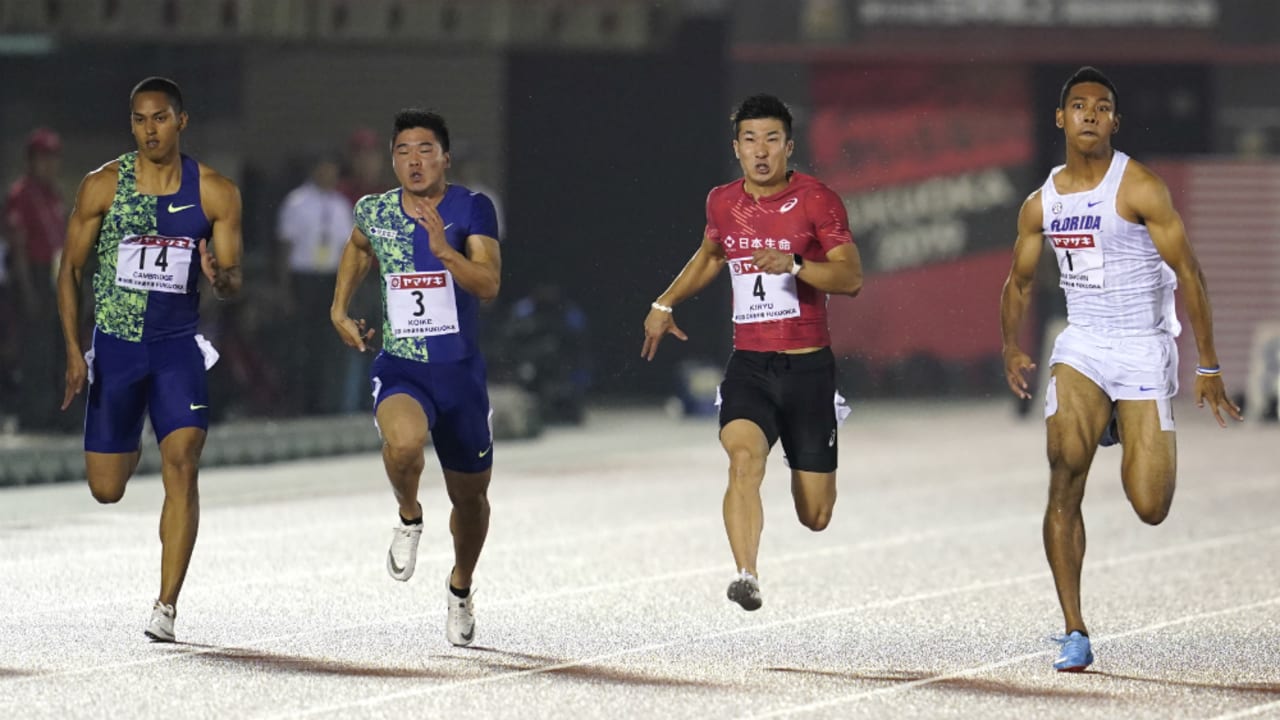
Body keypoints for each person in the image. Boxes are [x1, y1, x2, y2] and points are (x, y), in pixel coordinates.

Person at [999, 67, 1243, 672]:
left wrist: (1208, 363)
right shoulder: (1041, 204)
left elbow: (1190, 274)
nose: (1090, 114)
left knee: (1151, 505)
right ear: (1061, 118)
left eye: (1102, 107)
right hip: (1082, 346)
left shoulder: (1140, 187)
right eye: (1079, 105)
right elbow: (1019, 281)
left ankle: (1118, 420)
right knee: (1063, 472)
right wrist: (1010, 346)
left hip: (1141, 347)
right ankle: (1074, 629)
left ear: (1114, 121)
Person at [641, 94, 863, 611]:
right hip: (751, 365)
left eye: (771, 139)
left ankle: (800, 451)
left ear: (789, 146)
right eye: (750, 139)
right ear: (736, 147)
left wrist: (796, 265)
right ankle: (746, 574)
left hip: (808, 369)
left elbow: (850, 277)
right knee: (743, 459)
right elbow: (710, 255)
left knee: (815, 515)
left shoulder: (818, 200)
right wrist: (664, 302)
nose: (760, 151)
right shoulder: (723, 202)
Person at [56, 77, 243, 642]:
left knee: (182, 462)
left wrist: (220, 278)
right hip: (116, 349)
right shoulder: (102, 185)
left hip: (176, 348)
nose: (149, 130)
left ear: (180, 121)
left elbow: (232, 281)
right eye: (139, 120)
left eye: (159, 118)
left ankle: (166, 606)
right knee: (106, 488)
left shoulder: (215, 192)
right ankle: (134, 426)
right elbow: (70, 270)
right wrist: (74, 351)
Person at [330, 109, 500, 647]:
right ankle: (409, 515)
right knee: (403, 446)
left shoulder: (471, 208)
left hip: (460, 376)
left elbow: (488, 284)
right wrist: (339, 308)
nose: (414, 161)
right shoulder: (375, 210)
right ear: (392, 159)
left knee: (470, 501)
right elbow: (359, 247)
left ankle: (460, 586)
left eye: (426, 150)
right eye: (403, 151)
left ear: (445, 158)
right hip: (402, 367)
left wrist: (446, 252)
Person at [275, 154, 355, 414]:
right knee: (301, 343)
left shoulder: (340, 204)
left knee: (326, 343)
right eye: (324, 169)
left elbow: (346, 249)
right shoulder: (297, 202)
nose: (329, 175)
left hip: (329, 278)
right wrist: (285, 289)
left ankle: (323, 402)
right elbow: (285, 247)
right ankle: (298, 402)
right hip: (303, 277)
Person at [3, 127, 67, 430]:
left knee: (57, 347)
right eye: (44, 158)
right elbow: (18, 245)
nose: (50, 165)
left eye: (53, 158)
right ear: (31, 160)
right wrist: (27, 289)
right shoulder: (21, 195)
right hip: (34, 275)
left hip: (55, 276)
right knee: (36, 350)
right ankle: (34, 416)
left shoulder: (53, 196)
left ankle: (57, 413)